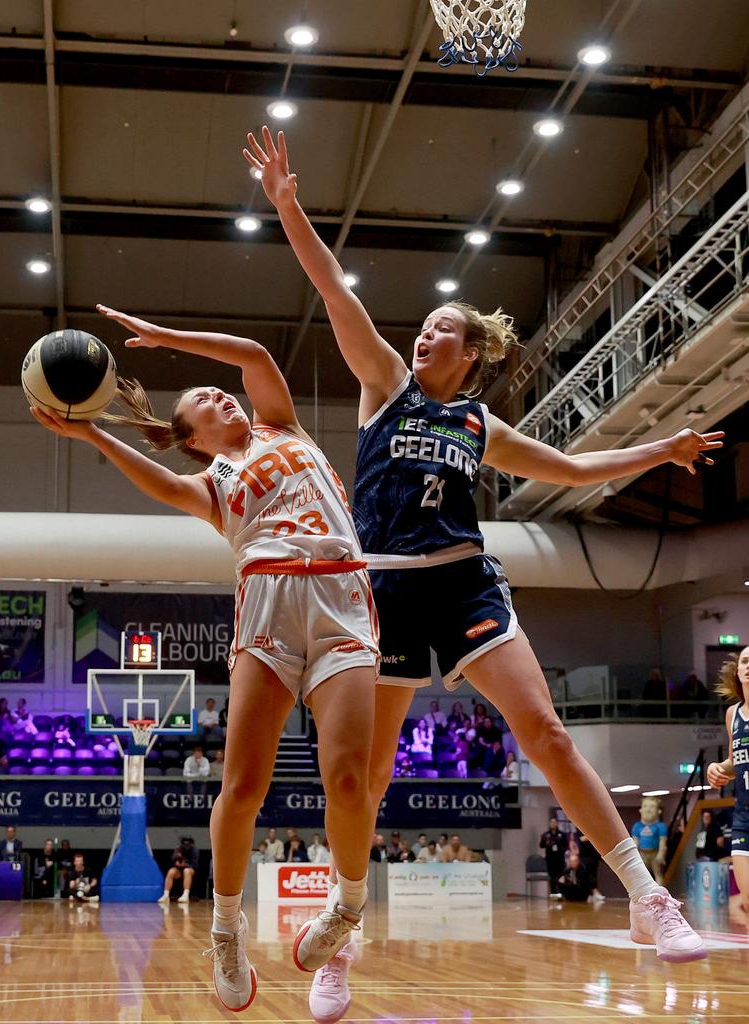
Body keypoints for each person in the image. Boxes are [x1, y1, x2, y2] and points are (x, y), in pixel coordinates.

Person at [246, 124, 715, 1014]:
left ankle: (648, 898)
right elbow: (331, 288)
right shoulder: (383, 384)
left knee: (545, 732)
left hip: (463, 581)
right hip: (380, 593)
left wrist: (662, 449)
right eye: (422, 327)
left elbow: (575, 470)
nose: (422, 336)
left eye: (440, 331)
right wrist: (287, 204)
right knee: (366, 781)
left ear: (468, 356)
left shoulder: (479, 427)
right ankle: (345, 928)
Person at [30, 304, 380, 1013]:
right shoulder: (212, 487)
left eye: (218, 392)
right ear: (194, 439)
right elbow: (158, 483)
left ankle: (347, 905)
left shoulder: (285, 426)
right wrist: (92, 430)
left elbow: (252, 352)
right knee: (243, 786)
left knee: (347, 780)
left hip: (343, 594)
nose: (222, 396)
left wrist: (165, 337)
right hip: (267, 606)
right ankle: (225, 929)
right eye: (204, 405)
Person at [707, 647, 749, 913]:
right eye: (745, 661)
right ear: (738, 670)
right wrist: (717, 767)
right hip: (744, 816)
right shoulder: (733, 714)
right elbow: (736, 760)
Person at [159, 839, 199, 906]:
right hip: (179, 870)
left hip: (190, 870)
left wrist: (185, 864)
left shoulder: (195, 851)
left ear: (192, 844)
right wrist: (176, 861)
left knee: (186, 871)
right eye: (184, 844)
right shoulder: (178, 849)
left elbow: (195, 864)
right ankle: (166, 895)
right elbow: (172, 861)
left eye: (188, 844)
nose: (186, 846)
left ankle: (185, 895)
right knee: (171, 871)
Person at [539, 818, 567, 898]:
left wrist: (561, 849)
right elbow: (541, 845)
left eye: (554, 822)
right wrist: (546, 843)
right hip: (550, 859)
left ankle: (561, 893)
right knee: (552, 876)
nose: (553, 824)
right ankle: (553, 893)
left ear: (557, 823)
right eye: (551, 822)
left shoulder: (561, 834)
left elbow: (566, 845)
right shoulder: (546, 835)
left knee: (560, 876)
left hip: (560, 859)